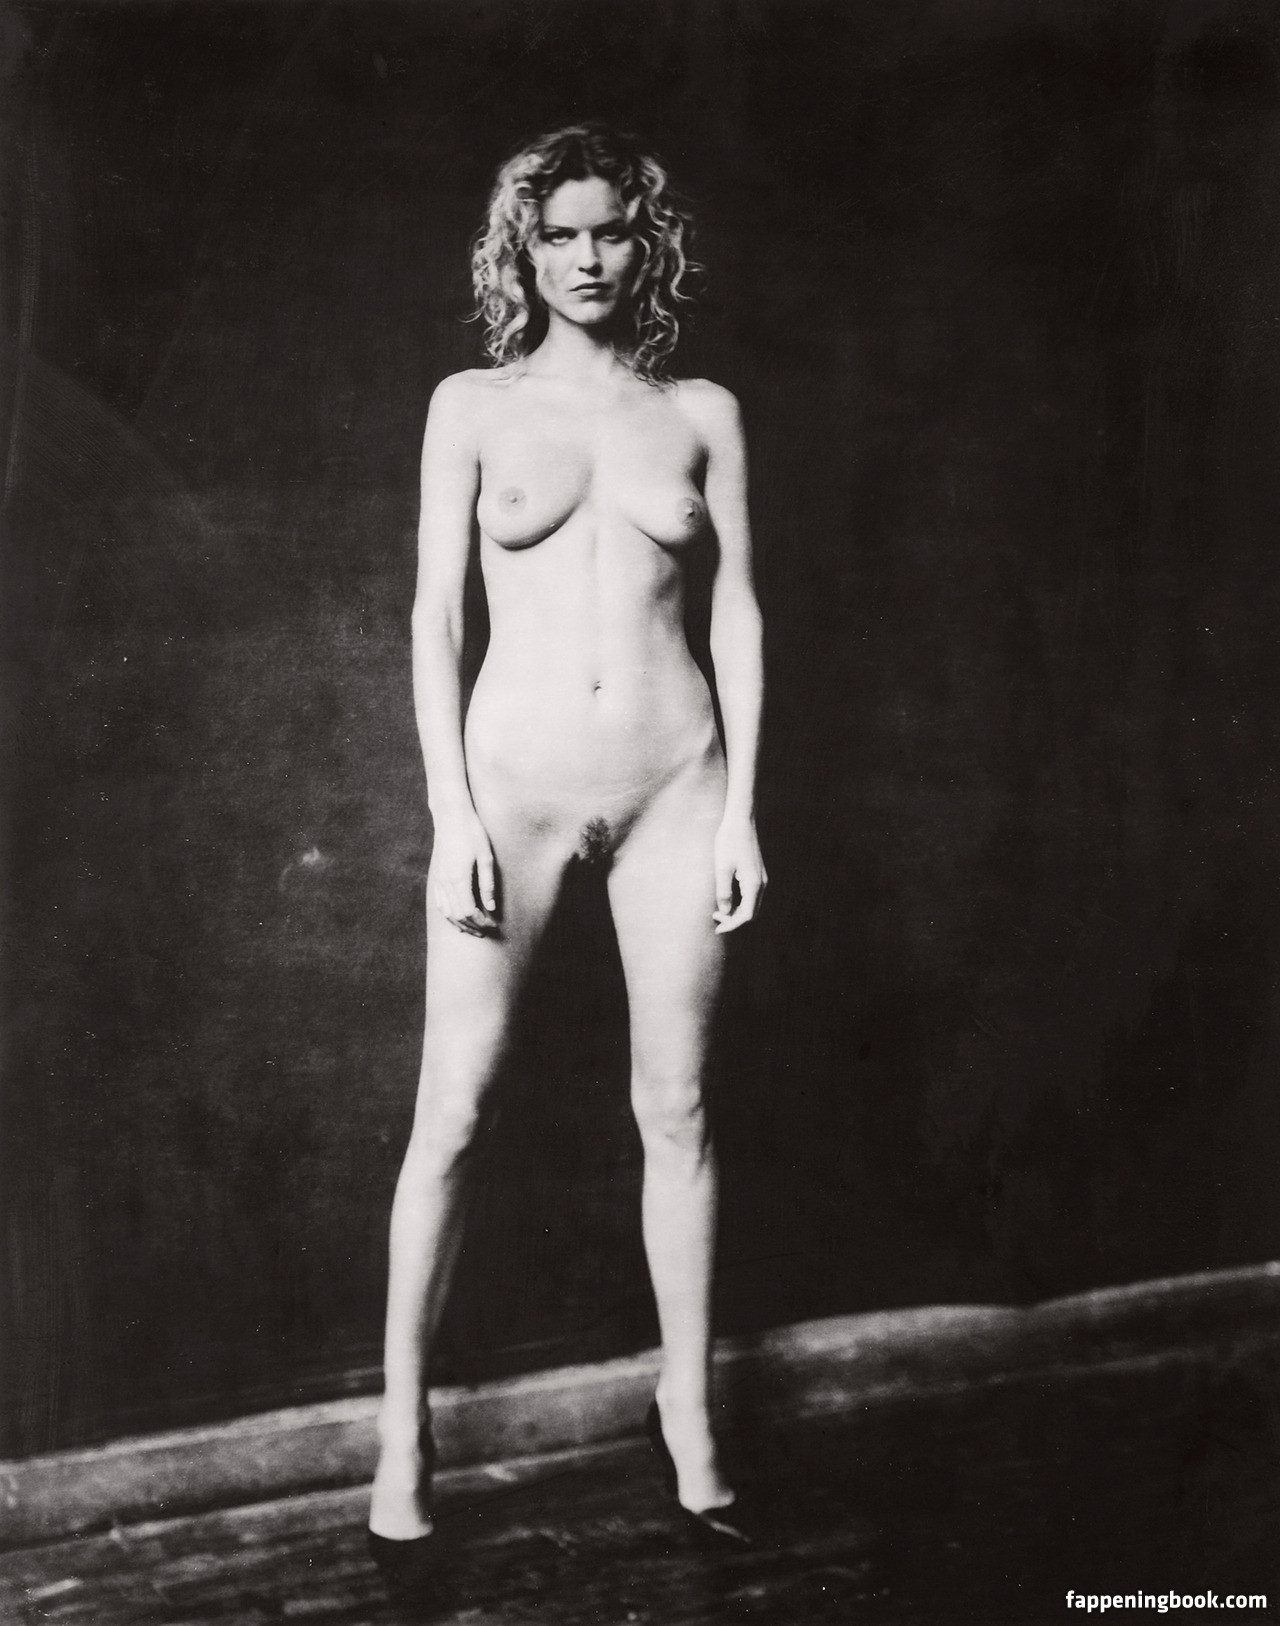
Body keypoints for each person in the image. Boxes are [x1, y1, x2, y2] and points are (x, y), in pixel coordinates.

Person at [368, 122, 766, 1586]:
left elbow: (738, 614)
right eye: (560, 235)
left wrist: (744, 807)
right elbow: (434, 617)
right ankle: (403, 1441)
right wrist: (449, 814)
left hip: (677, 781)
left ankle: (690, 1416)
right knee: (455, 1111)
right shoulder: (472, 407)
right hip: (516, 791)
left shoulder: (701, 412)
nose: (588, 259)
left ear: (644, 244)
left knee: (680, 1108)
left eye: (611, 231)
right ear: (522, 254)